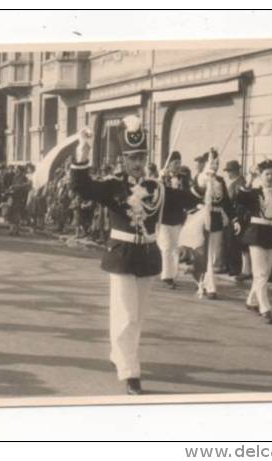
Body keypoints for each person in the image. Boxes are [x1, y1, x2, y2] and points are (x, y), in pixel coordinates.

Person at [70, 116, 192, 395]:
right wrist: (83, 152)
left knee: (136, 318)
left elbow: (183, 202)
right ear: (123, 159)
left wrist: (203, 184)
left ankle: (122, 356)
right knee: (124, 315)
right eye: (131, 157)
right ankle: (130, 371)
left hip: (147, 255)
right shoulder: (114, 186)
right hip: (122, 256)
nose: (136, 163)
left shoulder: (156, 188)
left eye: (141, 157)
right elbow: (81, 187)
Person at [235, 160, 272, 324]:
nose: (270, 177)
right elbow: (239, 198)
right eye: (267, 174)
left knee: (264, 273)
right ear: (261, 175)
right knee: (261, 274)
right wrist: (250, 179)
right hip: (256, 234)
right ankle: (266, 309)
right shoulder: (254, 193)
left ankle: (251, 301)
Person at [183, 150, 236, 299]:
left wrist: (234, 218)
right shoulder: (200, 178)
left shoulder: (220, 181)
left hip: (217, 219)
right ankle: (210, 287)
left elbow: (226, 201)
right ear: (206, 164)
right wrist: (206, 179)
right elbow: (194, 193)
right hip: (202, 220)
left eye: (217, 163)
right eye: (213, 163)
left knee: (213, 255)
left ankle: (202, 277)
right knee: (203, 253)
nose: (216, 166)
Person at [157, 150, 185, 288]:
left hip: (178, 218)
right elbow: (156, 193)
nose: (178, 165)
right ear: (168, 165)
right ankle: (166, 276)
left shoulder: (183, 178)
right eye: (175, 163)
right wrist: (160, 180)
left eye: (179, 163)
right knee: (166, 247)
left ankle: (173, 275)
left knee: (176, 248)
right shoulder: (163, 178)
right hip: (164, 218)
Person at [222, 160, 246, 277]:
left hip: (237, 216)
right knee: (228, 242)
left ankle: (234, 268)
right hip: (230, 216)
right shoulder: (233, 183)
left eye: (229, 171)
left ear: (236, 171)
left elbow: (234, 199)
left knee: (234, 243)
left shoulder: (240, 183)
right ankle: (229, 266)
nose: (228, 174)